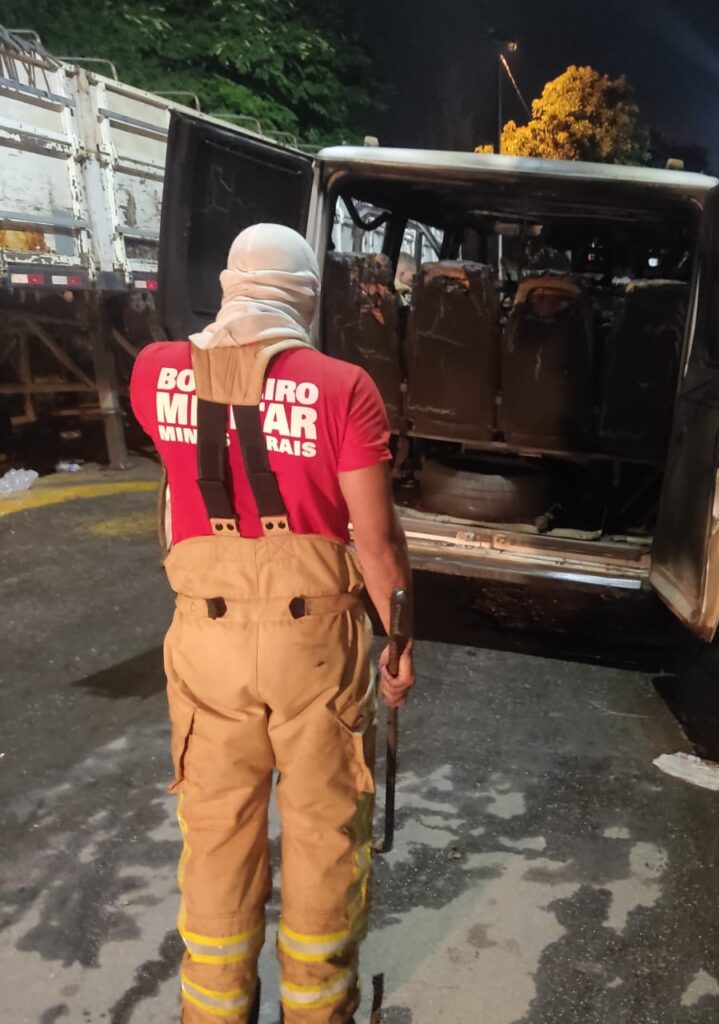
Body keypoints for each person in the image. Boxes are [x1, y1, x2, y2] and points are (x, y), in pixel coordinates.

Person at [129, 223, 415, 1024]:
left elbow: (183, 464)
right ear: (306, 299)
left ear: (227, 287)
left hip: (206, 638)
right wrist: (399, 639)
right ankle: (317, 1010)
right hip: (314, 643)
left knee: (217, 836)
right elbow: (376, 539)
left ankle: (214, 1013)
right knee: (324, 835)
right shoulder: (342, 386)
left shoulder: (154, 373)